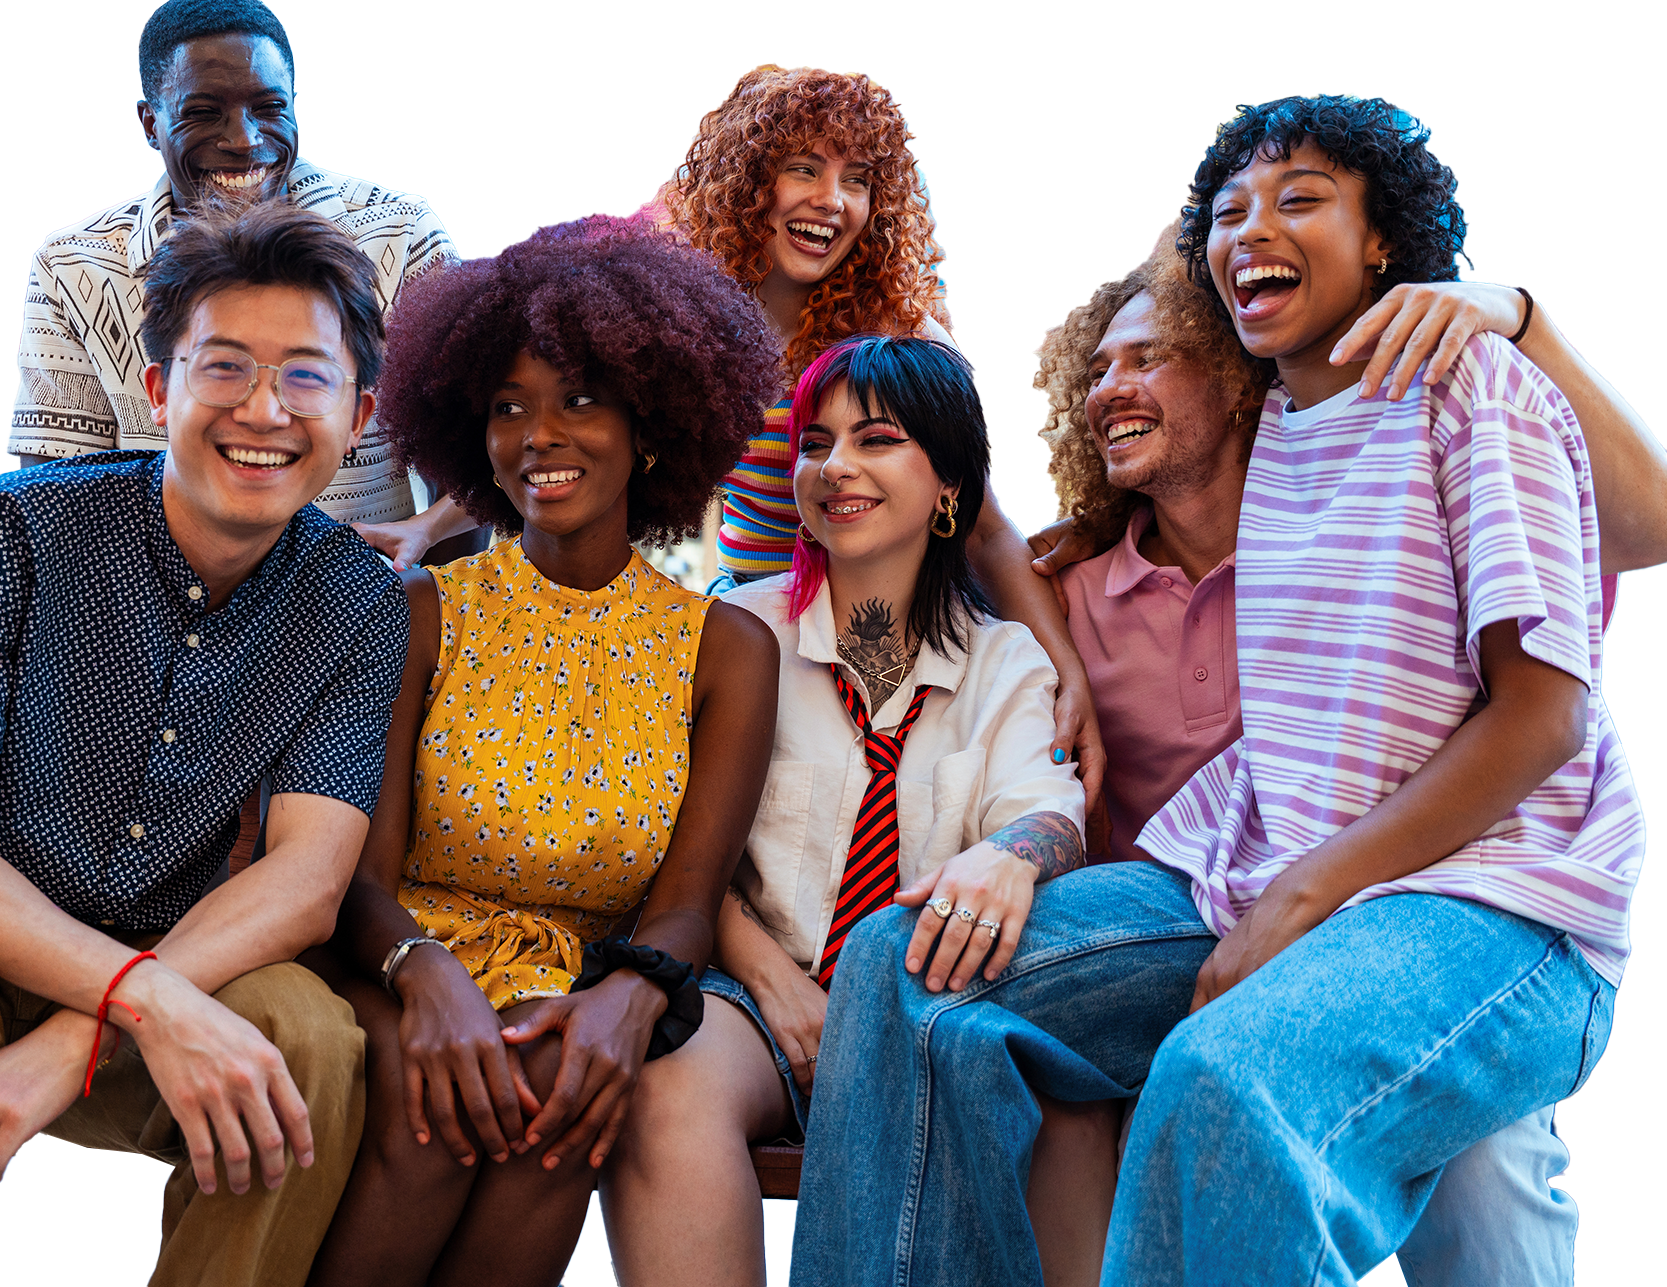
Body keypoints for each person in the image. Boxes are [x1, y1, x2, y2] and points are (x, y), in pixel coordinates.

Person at [791, 94, 1645, 1287]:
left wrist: (1511, 306)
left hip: (1491, 897)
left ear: (1384, 239)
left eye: (1300, 199)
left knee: (1228, 1080)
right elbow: (1036, 505)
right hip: (1250, 873)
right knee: (903, 968)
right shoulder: (1276, 428)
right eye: (1230, 213)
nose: (1252, 230)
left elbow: (1545, 714)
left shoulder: (1472, 383)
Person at [0, 202, 408, 1284]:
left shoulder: (359, 603)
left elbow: (306, 882)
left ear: (358, 414)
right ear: (158, 389)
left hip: (164, 942)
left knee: (308, 1041)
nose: (264, 409)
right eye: (224, 367)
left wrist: (82, 1033)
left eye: (306, 376)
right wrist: (137, 1001)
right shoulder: (0, 524)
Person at [1030, 227, 1663, 1285]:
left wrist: (1513, 312)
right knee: (1187, 1078)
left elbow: (1631, 547)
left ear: (1237, 386)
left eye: (1148, 356)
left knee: (1480, 1166)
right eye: (1096, 369)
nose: (1111, 386)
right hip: (1197, 922)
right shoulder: (1075, 584)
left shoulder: (1373, 503)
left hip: (1429, 910)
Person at [300, 219, 782, 1287]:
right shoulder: (421, 610)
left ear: (649, 427)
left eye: (578, 400)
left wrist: (633, 998)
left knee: (562, 1095)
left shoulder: (725, 648)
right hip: (397, 962)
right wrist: (426, 977)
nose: (538, 436)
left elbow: (688, 901)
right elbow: (358, 877)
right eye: (507, 407)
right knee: (436, 1108)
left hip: (574, 983)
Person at [600, 335, 1087, 1287]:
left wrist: (1011, 856)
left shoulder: (1007, 664)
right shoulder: (730, 631)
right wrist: (772, 982)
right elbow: (662, 846)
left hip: (929, 1010)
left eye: (876, 439)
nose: (835, 467)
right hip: (753, 995)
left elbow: (1047, 815)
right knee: (663, 1086)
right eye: (815, 445)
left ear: (950, 487)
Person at [667, 63, 1106, 806]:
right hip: (758, 619)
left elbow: (982, 527)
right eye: (803, 168)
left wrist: (1066, 674)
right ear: (745, 182)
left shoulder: (900, 336)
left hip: (893, 628)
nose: (831, 200)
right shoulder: (680, 326)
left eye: (858, 180)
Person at [8, 0, 479, 563]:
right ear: (150, 123)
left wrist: (430, 574)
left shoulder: (399, 236)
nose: (244, 139)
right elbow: (56, 493)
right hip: (164, 606)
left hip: (361, 597)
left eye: (269, 107)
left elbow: (468, 451)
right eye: (203, 112)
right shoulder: (73, 263)